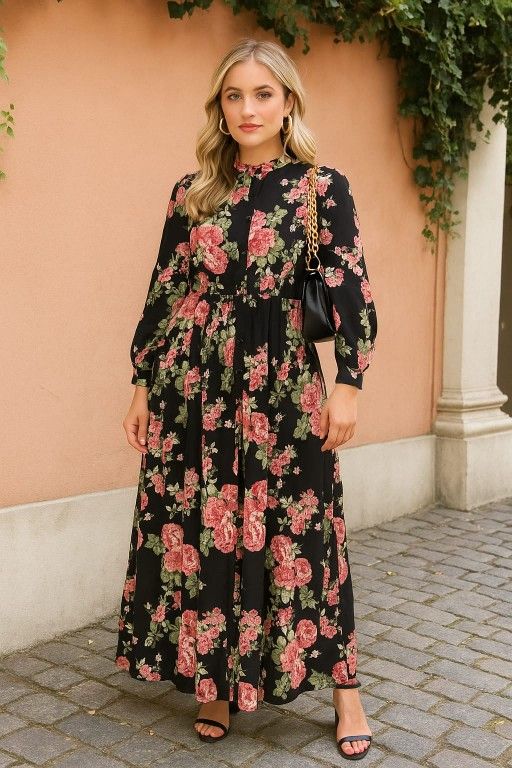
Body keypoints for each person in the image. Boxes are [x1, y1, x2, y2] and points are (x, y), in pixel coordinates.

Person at [115, 37, 377, 761]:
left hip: (282, 385)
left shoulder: (322, 187)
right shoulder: (192, 191)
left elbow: (351, 287)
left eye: (263, 94)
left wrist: (348, 383)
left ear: (288, 101)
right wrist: (142, 381)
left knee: (308, 533)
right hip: (192, 388)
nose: (248, 108)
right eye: (234, 96)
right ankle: (215, 680)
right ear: (219, 109)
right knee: (206, 528)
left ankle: (345, 687)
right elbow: (165, 293)